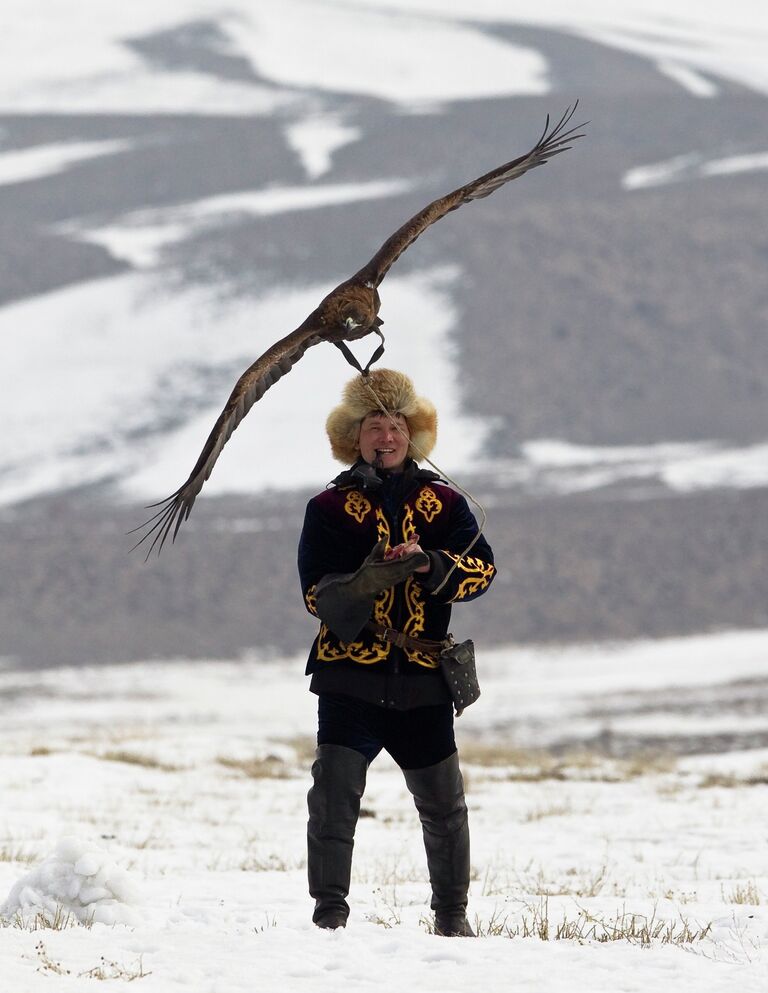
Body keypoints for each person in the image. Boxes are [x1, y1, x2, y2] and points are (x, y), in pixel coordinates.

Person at [297, 368, 496, 936]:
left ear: (413, 436)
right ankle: (329, 917)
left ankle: (452, 921)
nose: (385, 437)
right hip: (348, 677)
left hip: (424, 677)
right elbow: (316, 596)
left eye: (396, 427)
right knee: (333, 797)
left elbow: (484, 571)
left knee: (444, 805)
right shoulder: (327, 509)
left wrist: (432, 564)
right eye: (373, 427)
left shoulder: (447, 503)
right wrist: (368, 579)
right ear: (352, 438)